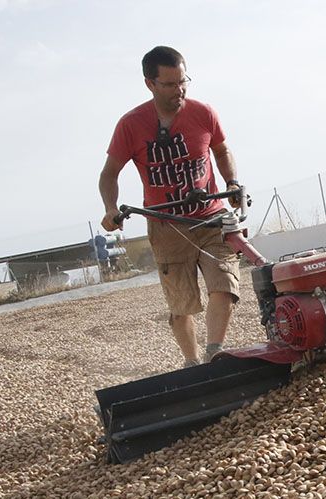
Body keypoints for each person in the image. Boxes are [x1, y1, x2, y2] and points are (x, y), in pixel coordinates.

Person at [99, 45, 243, 367]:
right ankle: (193, 365)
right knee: (182, 306)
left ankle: (214, 353)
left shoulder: (203, 113)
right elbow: (109, 175)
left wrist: (231, 182)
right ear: (150, 83)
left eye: (183, 81)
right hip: (166, 226)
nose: (179, 90)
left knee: (224, 283)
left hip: (211, 217)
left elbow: (221, 151)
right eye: (170, 84)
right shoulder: (131, 125)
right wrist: (110, 209)